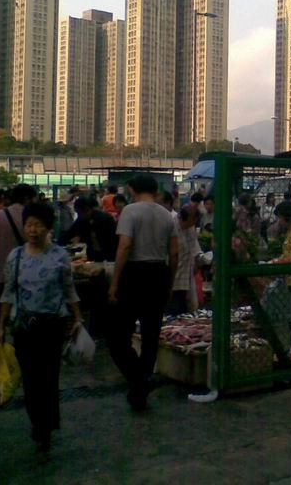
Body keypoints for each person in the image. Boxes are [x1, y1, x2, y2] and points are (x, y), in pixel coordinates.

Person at [0, 202, 82, 451]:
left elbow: (69, 290)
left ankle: (46, 427)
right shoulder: (16, 256)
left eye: (38, 225)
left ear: (47, 227)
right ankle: (38, 422)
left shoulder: (60, 256)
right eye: (29, 224)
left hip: (52, 327)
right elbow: (7, 292)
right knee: (30, 380)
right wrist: (1, 325)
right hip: (24, 326)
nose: (32, 230)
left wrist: (78, 318)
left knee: (48, 378)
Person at [108, 174, 178, 410]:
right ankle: (142, 384)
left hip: (135, 273)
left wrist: (115, 282)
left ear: (131, 189)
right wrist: (169, 283)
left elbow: (125, 246)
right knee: (150, 335)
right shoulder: (167, 214)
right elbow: (174, 253)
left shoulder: (130, 211)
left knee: (118, 337)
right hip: (159, 273)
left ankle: (137, 380)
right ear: (156, 189)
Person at [0, 183, 36, 340]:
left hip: (2, 275)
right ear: (27, 198)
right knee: (25, 316)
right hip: (28, 275)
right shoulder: (33, 219)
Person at [169, 205, 203, 315]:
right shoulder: (172, 225)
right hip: (172, 275)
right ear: (189, 218)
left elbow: (194, 247)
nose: (195, 222)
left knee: (184, 308)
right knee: (173, 308)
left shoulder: (190, 228)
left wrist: (196, 263)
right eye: (194, 219)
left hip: (186, 274)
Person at [65, 197, 118, 262]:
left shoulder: (105, 219)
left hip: (109, 255)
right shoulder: (81, 220)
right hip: (93, 256)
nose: (80, 216)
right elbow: (69, 234)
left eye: (80, 213)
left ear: (88, 209)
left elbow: (114, 240)